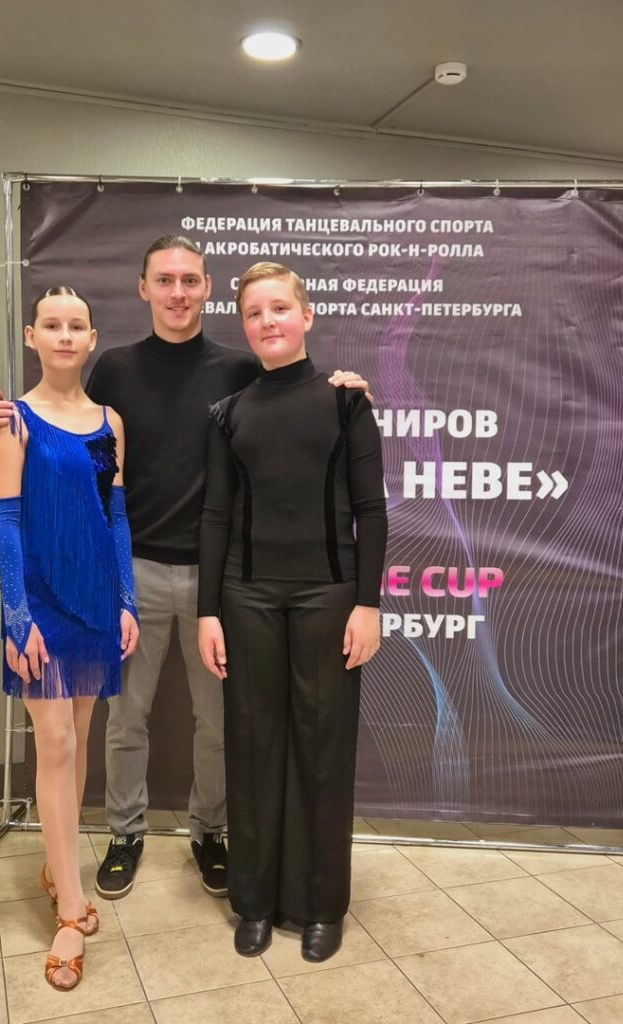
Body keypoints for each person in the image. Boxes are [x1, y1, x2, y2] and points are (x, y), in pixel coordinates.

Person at [0, 235, 371, 902]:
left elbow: (293, 392)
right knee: (126, 720)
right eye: (165, 280)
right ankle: (124, 834)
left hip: (220, 579)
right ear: (144, 289)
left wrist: (346, 387)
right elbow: (66, 426)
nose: (178, 291)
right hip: (127, 573)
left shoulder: (238, 369)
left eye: (190, 279)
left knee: (215, 722)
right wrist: (3, 417)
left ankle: (208, 833)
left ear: (208, 288)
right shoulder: (114, 369)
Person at [198, 262, 387, 962]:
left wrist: (367, 604)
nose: (267, 321)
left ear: (305, 316)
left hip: (328, 597)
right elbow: (216, 516)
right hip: (246, 597)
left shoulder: (346, 403)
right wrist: (207, 611)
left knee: (322, 749)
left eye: (279, 308)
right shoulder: (228, 414)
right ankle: (254, 900)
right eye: (254, 313)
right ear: (244, 326)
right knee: (252, 744)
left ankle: (320, 905)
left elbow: (371, 511)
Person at [0, 286, 139, 990]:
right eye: (51, 324)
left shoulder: (110, 421)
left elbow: (117, 515)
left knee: (75, 743)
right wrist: (17, 617)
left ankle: (57, 869)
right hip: (40, 606)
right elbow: (7, 521)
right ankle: (71, 910)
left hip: (95, 603)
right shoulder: (13, 421)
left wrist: (126, 600)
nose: (64, 335)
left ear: (91, 338)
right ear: (32, 336)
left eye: (76, 325)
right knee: (52, 743)